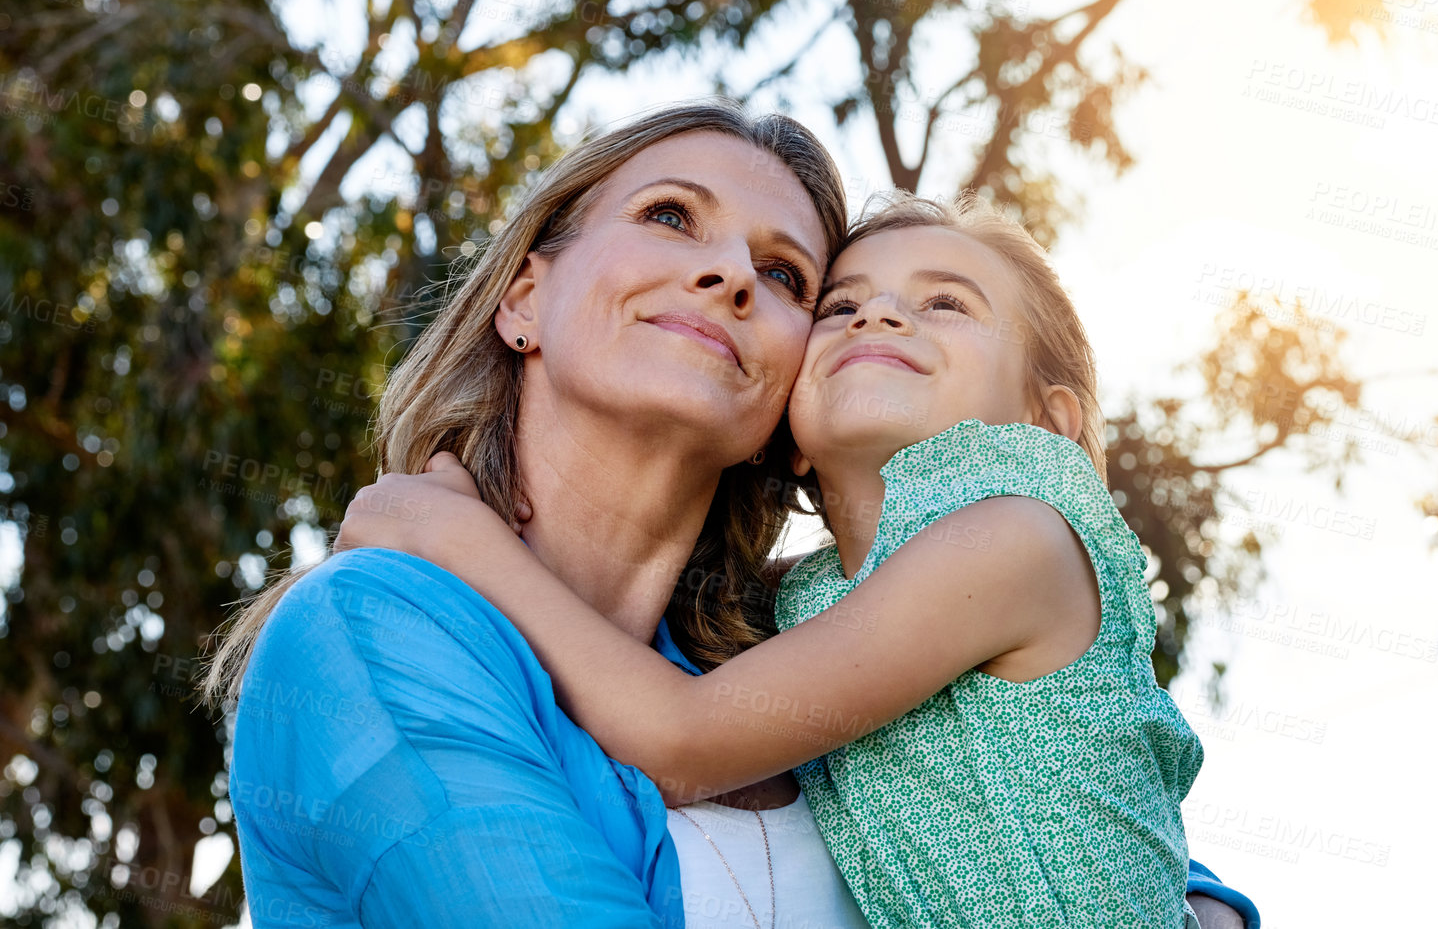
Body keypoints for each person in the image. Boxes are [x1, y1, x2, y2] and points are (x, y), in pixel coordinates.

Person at [204, 99, 1259, 928]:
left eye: (786, 272)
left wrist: (1206, 904)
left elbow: (1055, 793)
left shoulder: (781, 644)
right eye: (670, 215)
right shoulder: (371, 629)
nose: (727, 273)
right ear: (524, 296)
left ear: (783, 403)